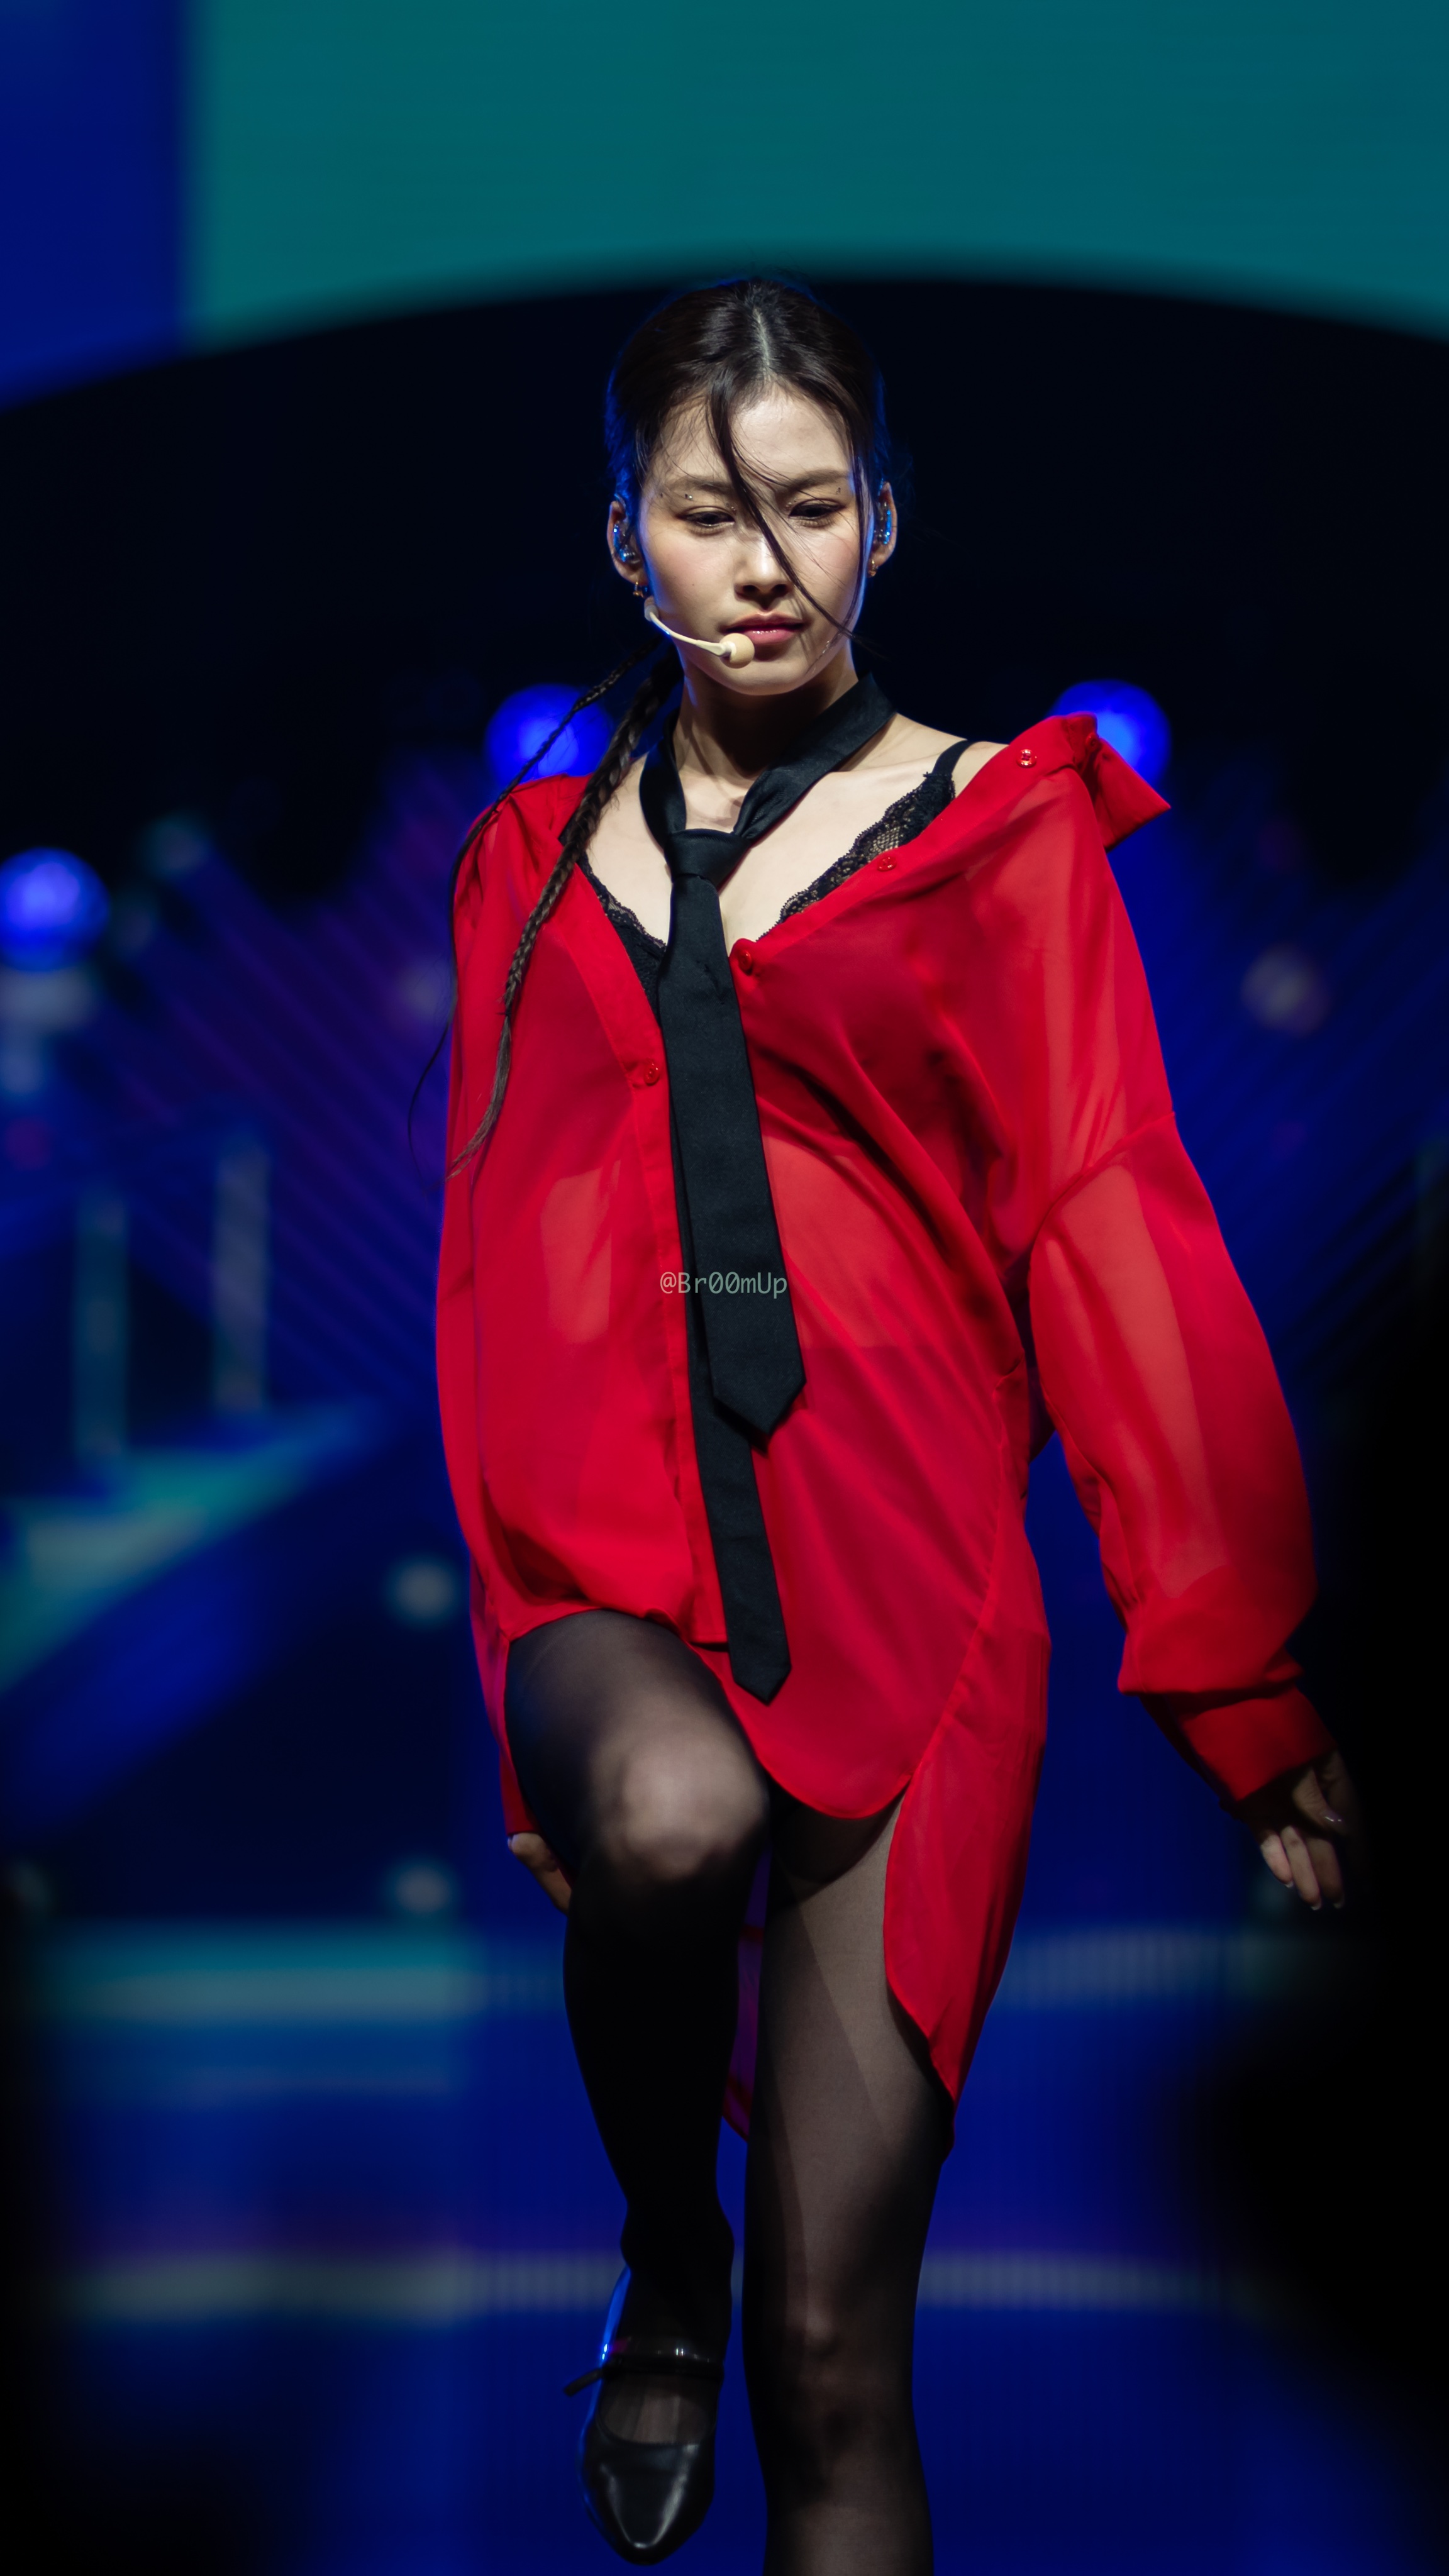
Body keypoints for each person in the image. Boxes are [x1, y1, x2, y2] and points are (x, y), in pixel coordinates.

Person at [436, 276, 1362, 2573]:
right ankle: (666, 2244)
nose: (764, 561)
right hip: (612, 1573)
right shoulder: (525, 866)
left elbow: (1108, 1214)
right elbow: (496, 1257)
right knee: (664, 1817)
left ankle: (737, 2298)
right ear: (624, 537)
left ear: (886, 519)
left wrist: (1236, 1675)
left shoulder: (1000, 830)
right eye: (707, 510)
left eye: (811, 504)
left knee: (842, 2364)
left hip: (916, 1597)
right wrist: (522, 1668)